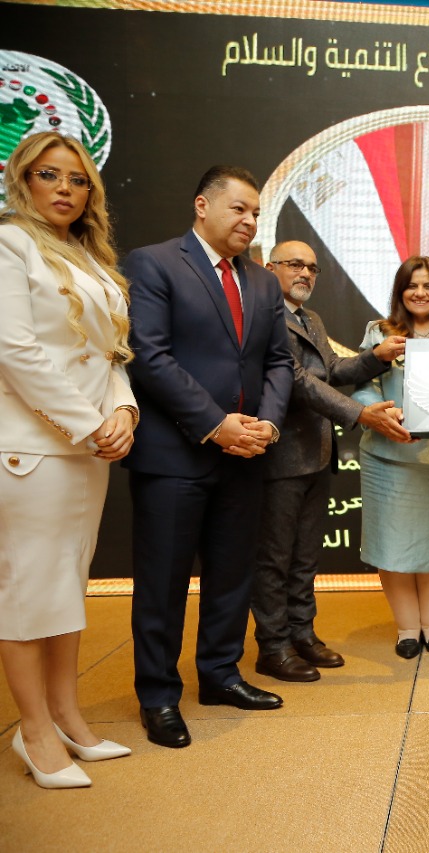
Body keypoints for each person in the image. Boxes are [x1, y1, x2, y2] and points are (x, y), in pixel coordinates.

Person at [125, 165, 294, 749]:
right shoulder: (154, 263)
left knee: (231, 576)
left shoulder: (263, 283)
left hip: (247, 453)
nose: (250, 221)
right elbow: (149, 356)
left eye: (256, 213)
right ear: (202, 205)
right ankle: (158, 696)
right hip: (174, 455)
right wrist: (215, 425)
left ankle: (221, 675)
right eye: (239, 209)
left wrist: (268, 423)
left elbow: (278, 362)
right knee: (163, 584)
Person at [0, 132, 136, 788]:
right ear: (23, 180)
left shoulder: (89, 257)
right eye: (49, 175)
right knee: (28, 591)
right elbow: (15, 350)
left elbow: (110, 355)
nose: (65, 188)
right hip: (32, 449)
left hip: (87, 450)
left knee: (66, 587)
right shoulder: (10, 242)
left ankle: (66, 716)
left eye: (78, 180)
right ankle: (33, 732)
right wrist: (91, 423)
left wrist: (124, 410)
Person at [249, 240, 408, 683]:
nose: (305, 273)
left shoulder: (310, 318)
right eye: (294, 264)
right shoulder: (263, 315)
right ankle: (273, 646)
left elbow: (333, 370)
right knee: (274, 559)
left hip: (317, 454)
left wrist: (375, 358)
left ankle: (302, 635)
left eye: (312, 268)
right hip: (279, 456)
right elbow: (296, 381)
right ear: (270, 269)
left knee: (304, 557)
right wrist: (360, 413)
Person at [354, 256, 429, 660]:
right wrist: (382, 411)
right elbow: (361, 385)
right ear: (400, 291)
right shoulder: (380, 332)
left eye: (428, 286)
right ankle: (407, 628)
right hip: (388, 453)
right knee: (392, 542)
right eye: (412, 285)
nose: (420, 293)